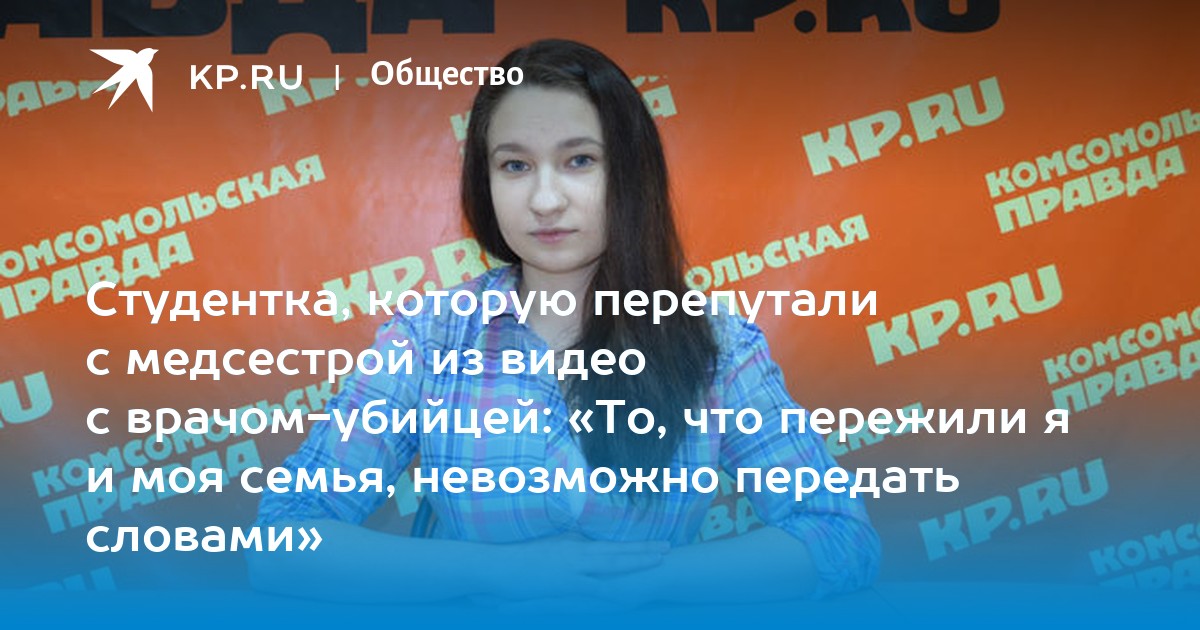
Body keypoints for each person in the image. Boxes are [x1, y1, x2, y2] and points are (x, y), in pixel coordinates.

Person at [249, 39, 880, 606]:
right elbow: (283, 541)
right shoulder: (431, 336)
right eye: (515, 165)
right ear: (484, 182)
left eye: (579, 160)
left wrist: (648, 581)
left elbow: (838, 536)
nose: (545, 200)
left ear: (629, 172)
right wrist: (500, 573)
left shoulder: (715, 344)